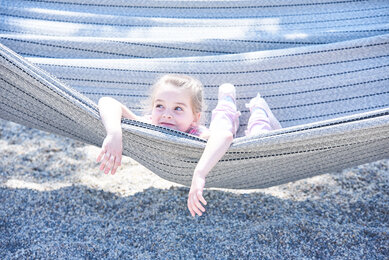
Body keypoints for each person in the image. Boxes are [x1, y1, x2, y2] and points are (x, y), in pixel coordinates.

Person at [96, 74, 281, 217]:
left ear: (195, 118)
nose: (167, 114)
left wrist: (199, 173)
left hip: (222, 136)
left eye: (178, 108)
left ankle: (256, 110)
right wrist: (114, 133)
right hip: (217, 131)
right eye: (160, 106)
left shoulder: (197, 133)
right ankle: (227, 101)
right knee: (224, 122)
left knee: (246, 133)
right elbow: (107, 101)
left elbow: (224, 136)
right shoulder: (149, 124)